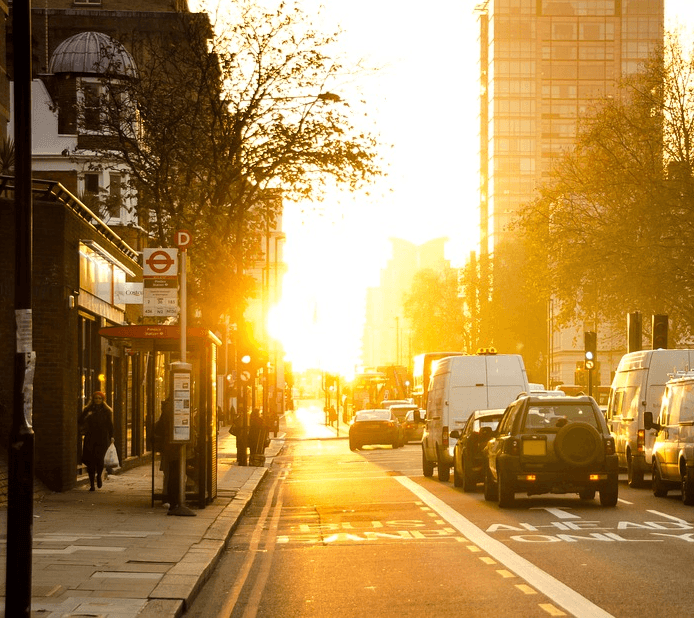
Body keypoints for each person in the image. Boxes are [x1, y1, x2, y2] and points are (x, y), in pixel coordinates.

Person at [78, 391, 114, 491]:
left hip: (102, 438)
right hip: (90, 437)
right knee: (90, 460)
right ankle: (92, 484)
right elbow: (80, 421)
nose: (98, 400)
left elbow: (109, 425)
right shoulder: (87, 410)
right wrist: (87, 416)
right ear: (93, 400)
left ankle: (98, 476)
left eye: (100, 398)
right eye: (96, 398)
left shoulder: (107, 411)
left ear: (103, 400)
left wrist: (111, 436)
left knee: (100, 459)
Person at [154, 397, 180, 512]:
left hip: (168, 447)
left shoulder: (167, 409)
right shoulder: (173, 409)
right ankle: (173, 500)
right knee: (173, 474)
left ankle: (170, 499)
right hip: (173, 447)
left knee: (169, 473)